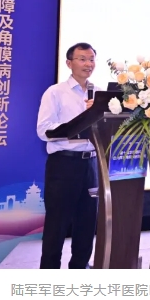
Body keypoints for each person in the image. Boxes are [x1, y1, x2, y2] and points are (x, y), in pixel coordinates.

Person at [36, 42, 101, 269]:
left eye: (91, 59)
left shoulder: (99, 93)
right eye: (82, 59)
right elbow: (44, 129)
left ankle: (79, 270)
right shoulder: (55, 92)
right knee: (57, 224)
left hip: (91, 165)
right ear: (69, 63)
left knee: (87, 223)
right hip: (63, 165)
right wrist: (77, 126)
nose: (88, 64)